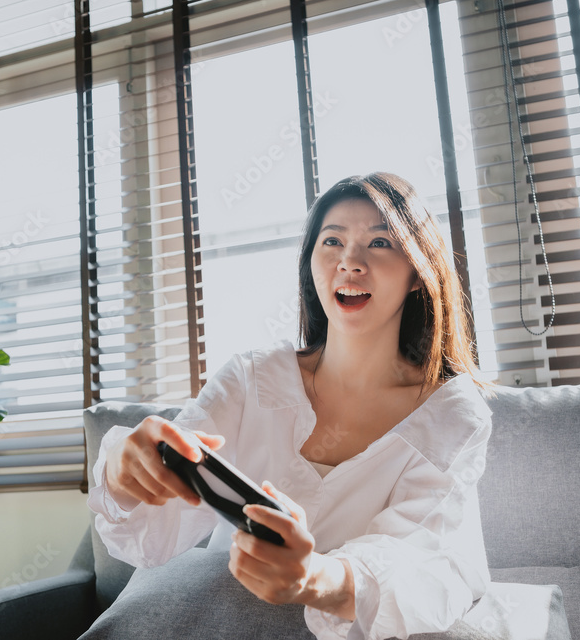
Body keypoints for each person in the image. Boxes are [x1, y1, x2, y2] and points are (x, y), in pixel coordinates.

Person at [86, 172, 493, 639]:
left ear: (419, 274)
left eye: (379, 243)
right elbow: (153, 540)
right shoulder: (250, 379)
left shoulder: (451, 415)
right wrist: (124, 475)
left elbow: (425, 563)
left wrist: (319, 579)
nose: (350, 262)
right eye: (332, 241)